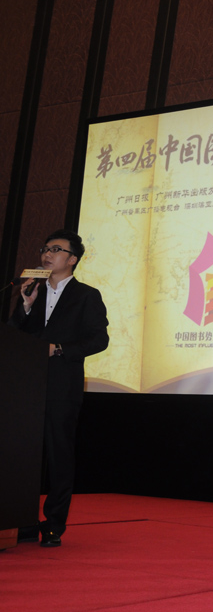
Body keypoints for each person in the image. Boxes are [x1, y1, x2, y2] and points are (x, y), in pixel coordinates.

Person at [9, 229, 109, 547]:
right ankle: (21, 522)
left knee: (58, 456)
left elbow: (99, 339)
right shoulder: (32, 291)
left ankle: (53, 524)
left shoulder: (86, 295)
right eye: (45, 249)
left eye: (56, 249)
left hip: (62, 388)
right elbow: (13, 334)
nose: (47, 254)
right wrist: (26, 306)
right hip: (27, 388)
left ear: (72, 259)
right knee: (24, 456)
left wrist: (61, 349)